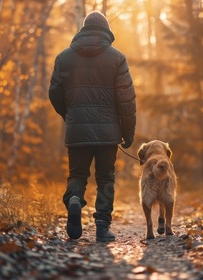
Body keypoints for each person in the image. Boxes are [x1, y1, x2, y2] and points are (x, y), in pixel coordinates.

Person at [48, 11, 136, 242]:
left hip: (77, 129)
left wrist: (70, 115)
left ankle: (74, 200)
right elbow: (126, 99)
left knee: (77, 174)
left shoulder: (64, 57)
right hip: (108, 133)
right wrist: (128, 132)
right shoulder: (117, 58)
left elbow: (54, 93)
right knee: (105, 178)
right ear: (106, 31)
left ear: (83, 30)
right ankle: (101, 226)